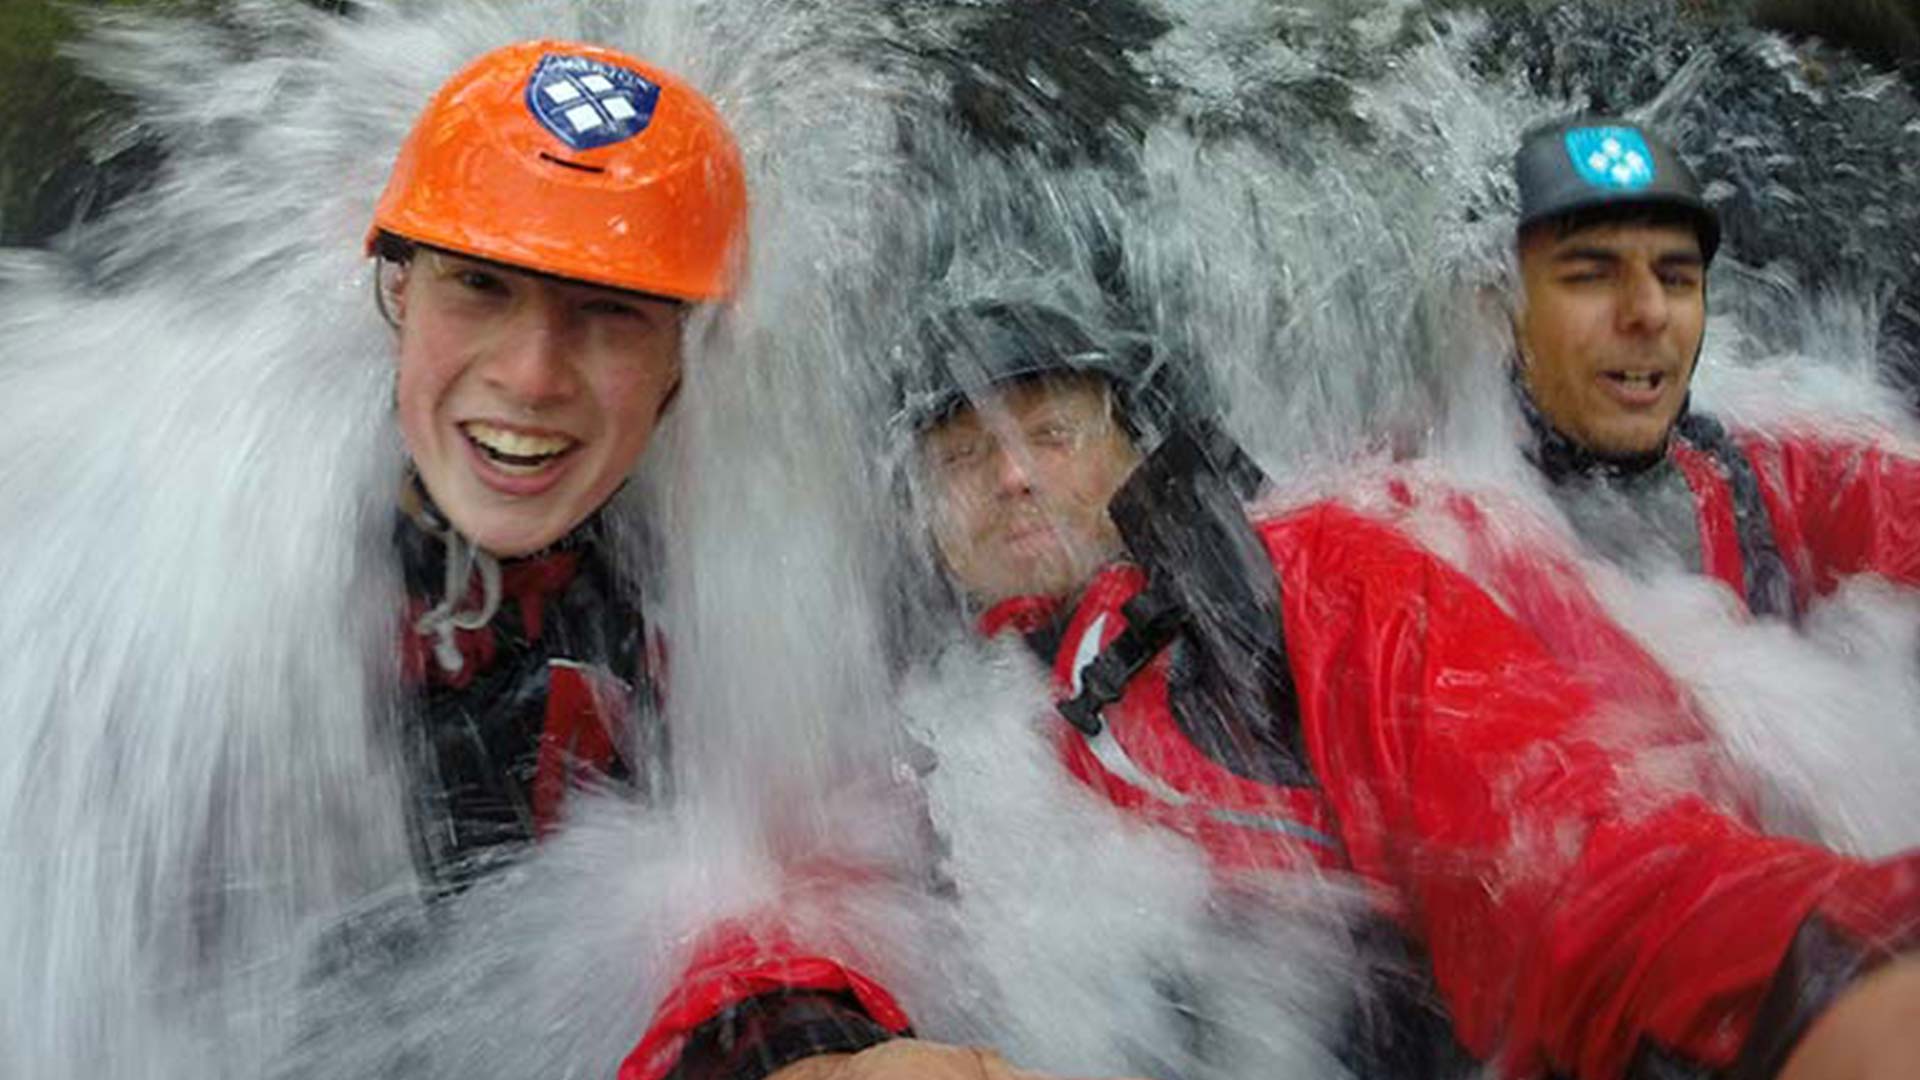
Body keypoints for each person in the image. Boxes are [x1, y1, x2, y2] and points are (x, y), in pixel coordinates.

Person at [839, 296, 1920, 1080]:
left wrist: (1814, 978)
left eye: (1052, 433)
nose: (1015, 475)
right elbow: (770, 917)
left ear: (1133, 450)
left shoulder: (1305, 574)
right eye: (965, 456)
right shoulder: (898, 726)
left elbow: (1565, 842)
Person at [361, 38, 927, 1080]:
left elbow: (766, 873)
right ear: (398, 294)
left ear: (684, 361)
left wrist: (801, 1048)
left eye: (611, 312)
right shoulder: (251, 586)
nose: (531, 378)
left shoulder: (722, 580)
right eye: (479, 286)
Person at [1507, 116, 1920, 620]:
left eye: (1676, 278)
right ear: (1499, 306)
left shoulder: (1750, 483)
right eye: (1591, 276)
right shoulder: (1436, 529)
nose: (1651, 312)